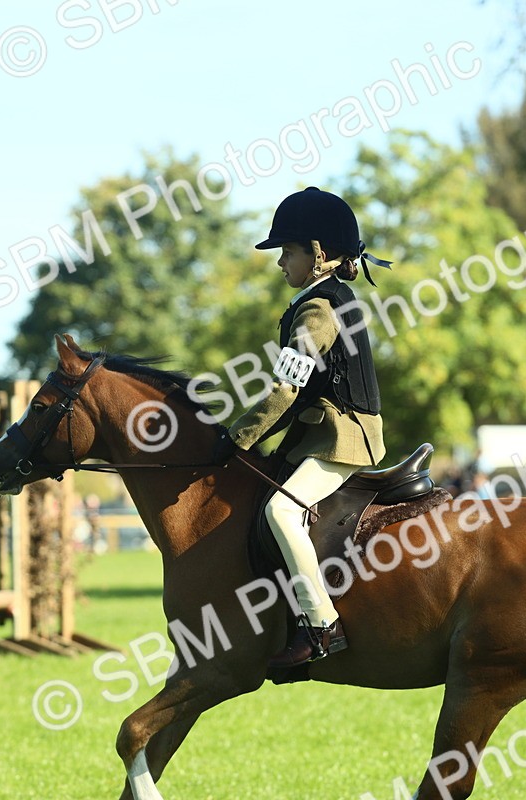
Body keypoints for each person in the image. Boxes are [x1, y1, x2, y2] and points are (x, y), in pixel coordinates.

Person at [213, 187, 392, 668]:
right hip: (320, 432)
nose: (280, 263)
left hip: (342, 437)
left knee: (282, 513)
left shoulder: (319, 308)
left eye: (286, 252)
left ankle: (321, 626)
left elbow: (286, 389)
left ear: (317, 254)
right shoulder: (326, 298)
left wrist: (238, 437)